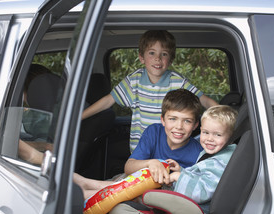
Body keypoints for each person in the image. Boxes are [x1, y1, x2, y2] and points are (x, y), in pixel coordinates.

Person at [81, 30, 217, 152]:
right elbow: (108, 101)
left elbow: (203, 99)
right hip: (141, 150)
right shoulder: (134, 80)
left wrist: (225, 116)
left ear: (170, 60)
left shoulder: (177, 81)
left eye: (164, 54)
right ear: (141, 57)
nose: (158, 58)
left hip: (169, 150)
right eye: (152, 53)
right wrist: (79, 117)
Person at [74, 89, 204, 199]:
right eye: (172, 119)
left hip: (162, 196)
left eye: (187, 121)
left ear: (195, 125)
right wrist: (150, 163)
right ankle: (88, 187)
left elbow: (196, 188)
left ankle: (88, 190)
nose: (179, 126)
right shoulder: (154, 132)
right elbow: (129, 167)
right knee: (132, 178)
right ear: (163, 120)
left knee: (144, 186)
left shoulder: (198, 153)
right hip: (137, 183)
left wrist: (180, 173)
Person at [167, 105, 238, 214]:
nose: (210, 139)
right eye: (205, 132)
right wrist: (181, 171)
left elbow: (202, 192)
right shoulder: (215, 153)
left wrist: (178, 177)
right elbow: (200, 177)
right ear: (200, 130)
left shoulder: (219, 163)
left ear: (230, 137)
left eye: (218, 134)